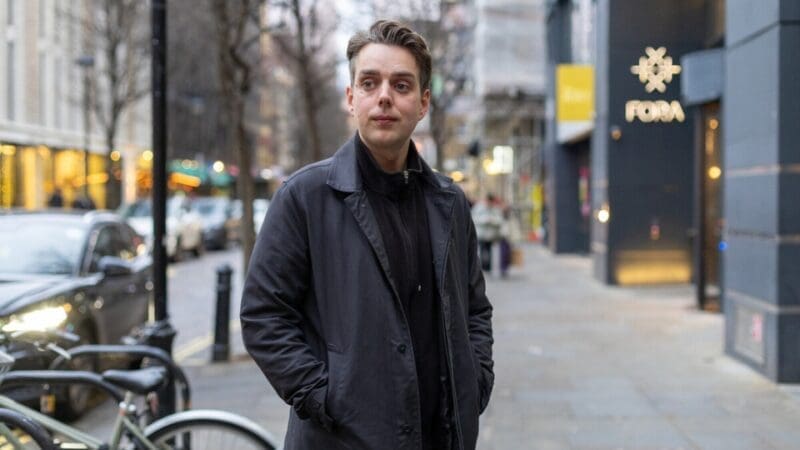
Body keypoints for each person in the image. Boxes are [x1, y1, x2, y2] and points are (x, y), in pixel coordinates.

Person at [241, 19, 494, 450]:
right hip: (341, 440)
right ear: (350, 97)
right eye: (370, 82)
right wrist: (323, 396)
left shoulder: (449, 203)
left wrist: (476, 378)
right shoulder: (304, 197)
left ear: (423, 103)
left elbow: (473, 309)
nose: (384, 98)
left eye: (401, 85)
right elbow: (264, 316)